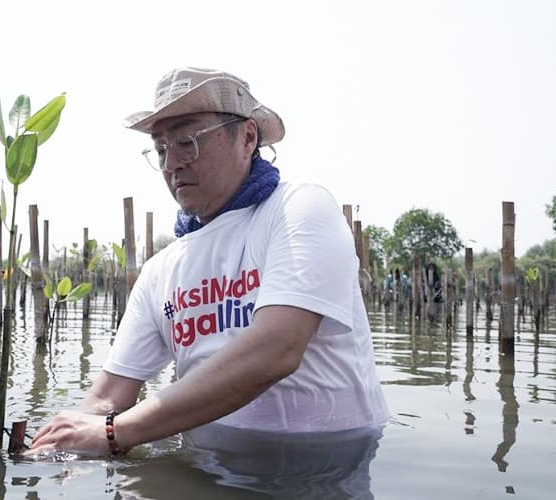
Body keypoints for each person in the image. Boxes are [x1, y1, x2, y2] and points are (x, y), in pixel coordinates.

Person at [26, 67, 389, 459]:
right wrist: (59, 443)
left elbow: (277, 348)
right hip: (212, 460)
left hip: (327, 463)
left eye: (187, 142)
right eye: (161, 149)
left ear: (247, 137)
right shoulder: (160, 270)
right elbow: (109, 395)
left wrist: (115, 432)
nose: (171, 165)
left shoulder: (298, 208)